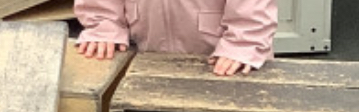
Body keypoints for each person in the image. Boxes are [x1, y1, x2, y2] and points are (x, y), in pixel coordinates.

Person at [73, 0, 279, 76]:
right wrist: (104, 24)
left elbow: (254, 6)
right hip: (147, 59)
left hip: (224, 63)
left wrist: (242, 44)